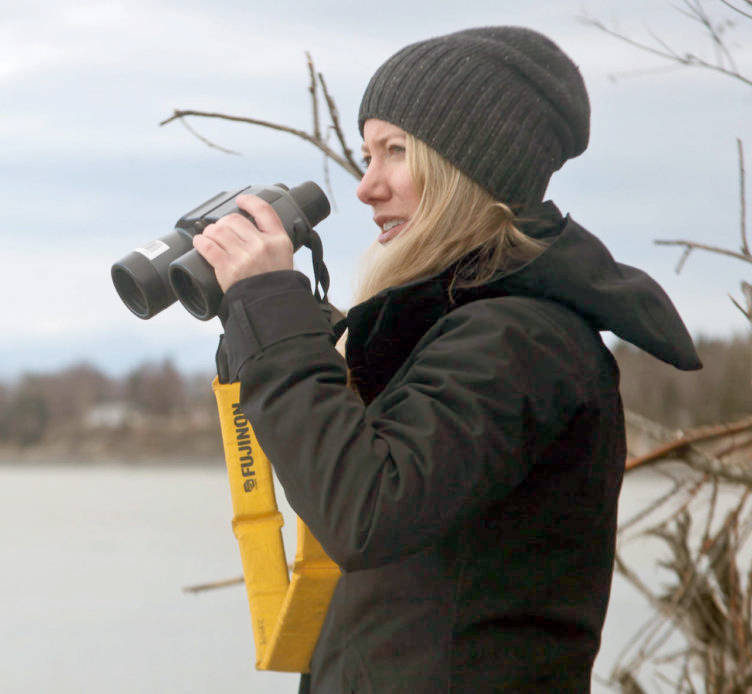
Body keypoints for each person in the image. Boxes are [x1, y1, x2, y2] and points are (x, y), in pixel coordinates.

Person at [192, 26, 702, 692]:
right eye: (366, 154)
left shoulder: (522, 340)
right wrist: (270, 323)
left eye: (394, 152)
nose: (366, 187)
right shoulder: (464, 331)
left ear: (473, 164)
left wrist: (275, 313)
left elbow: (364, 509)